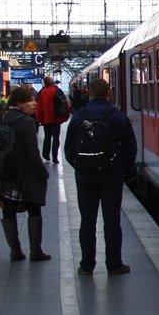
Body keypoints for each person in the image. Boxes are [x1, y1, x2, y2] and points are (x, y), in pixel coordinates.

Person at [64, 77, 137, 276]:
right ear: (109, 93)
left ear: (89, 93)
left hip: (85, 178)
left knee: (87, 221)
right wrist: (122, 170)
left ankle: (87, 266)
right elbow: (130, 147)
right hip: (111, 176)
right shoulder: (117, 116)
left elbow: (69, 148)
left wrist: (81, 166)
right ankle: (114, 265)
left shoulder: (79, 116)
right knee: (112, 220)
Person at [0, 86, 51, 261]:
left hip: (5, 173)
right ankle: (35, 250)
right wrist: (43, 173)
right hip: (25, 174)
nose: (34, 103)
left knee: (8, 210)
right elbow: (33, 154)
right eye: (30, 100)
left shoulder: (1, 118)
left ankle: (15, 250)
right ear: (19, 104)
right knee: (34, 208)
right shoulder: (27, 122)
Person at [35, 76, 70, 163]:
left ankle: (46, 155)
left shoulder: (41, 92)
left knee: (47, 137)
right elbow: (65, 103)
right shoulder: (57, 90)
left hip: (46, 119)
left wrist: (39, 118)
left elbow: (38, 106)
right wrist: (67, 114)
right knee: (56, 138)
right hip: (56, 118)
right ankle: (55, 157)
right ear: (52, 82)